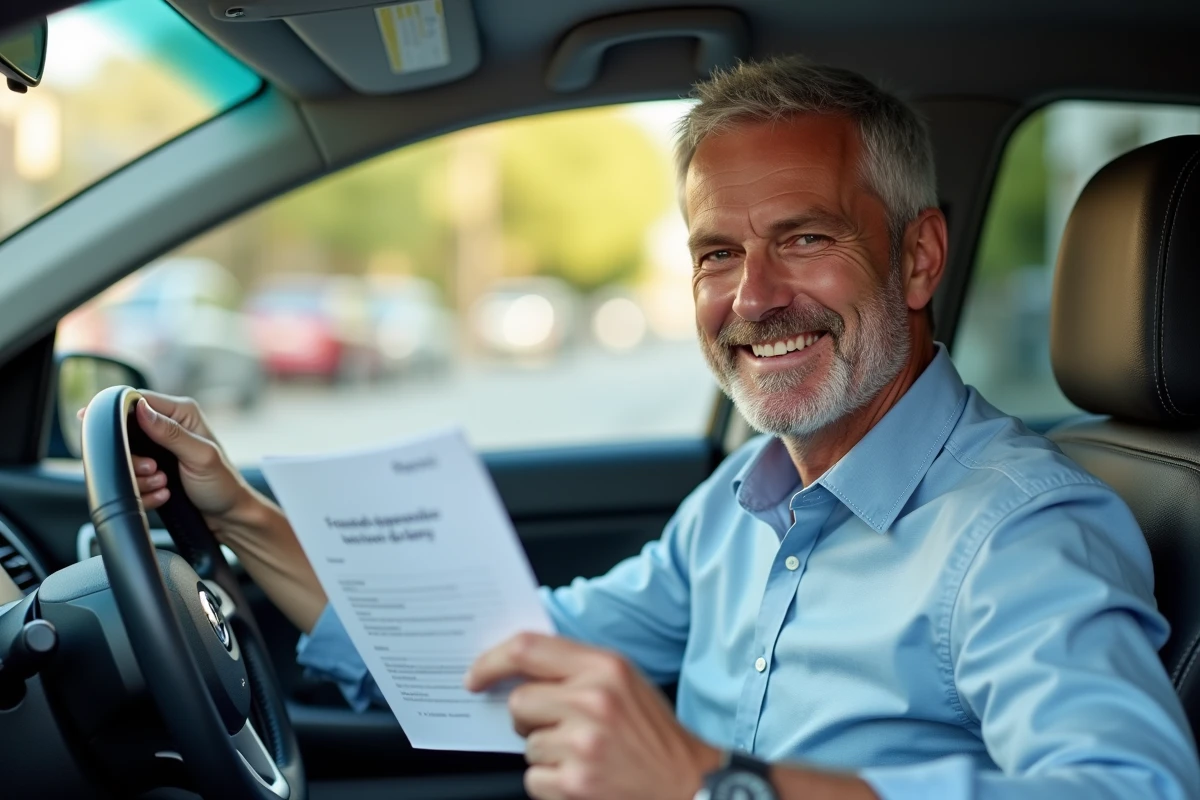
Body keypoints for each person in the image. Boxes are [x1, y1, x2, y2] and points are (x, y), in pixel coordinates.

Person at [122, 57, 1200, 800]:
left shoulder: (1021, 531)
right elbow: (504, 658)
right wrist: (243, 511)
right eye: (716, 254)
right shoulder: (739, 505)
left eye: (805, 237)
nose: (753, 297)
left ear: (919, 259)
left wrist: (707, 778)